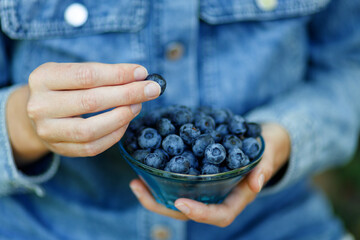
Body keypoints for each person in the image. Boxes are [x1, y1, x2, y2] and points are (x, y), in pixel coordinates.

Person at [0, 0, 359, 239]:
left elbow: (347, 69)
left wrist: (283, 134)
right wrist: (22, 123)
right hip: (51, 225)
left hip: (274, 225)